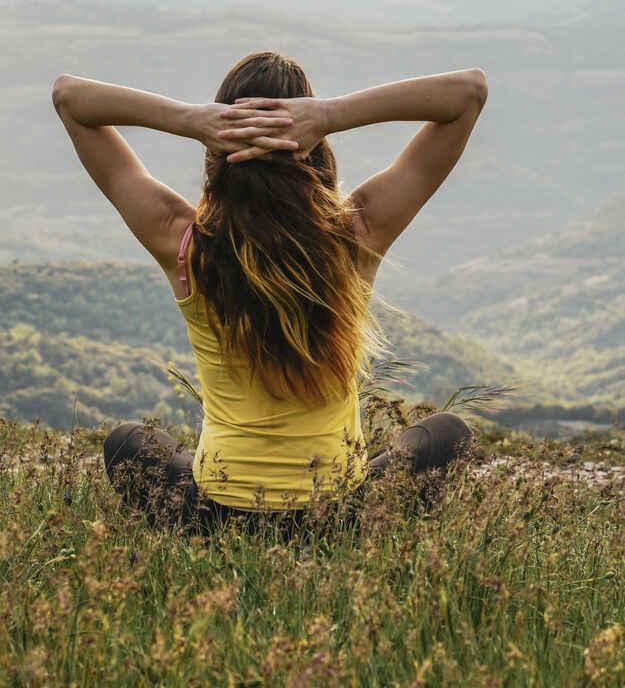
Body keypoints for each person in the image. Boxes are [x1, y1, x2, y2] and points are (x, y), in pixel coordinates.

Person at [52, 52, 487, 536]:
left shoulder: (182, 243)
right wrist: (329, 115)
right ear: (313, 146)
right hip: (339, 519)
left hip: (215, 518)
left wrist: (191, 120)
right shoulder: (358, 234)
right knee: (448, 433)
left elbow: (70, 98)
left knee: (128, 441)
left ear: (217, 146)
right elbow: (467, 93)